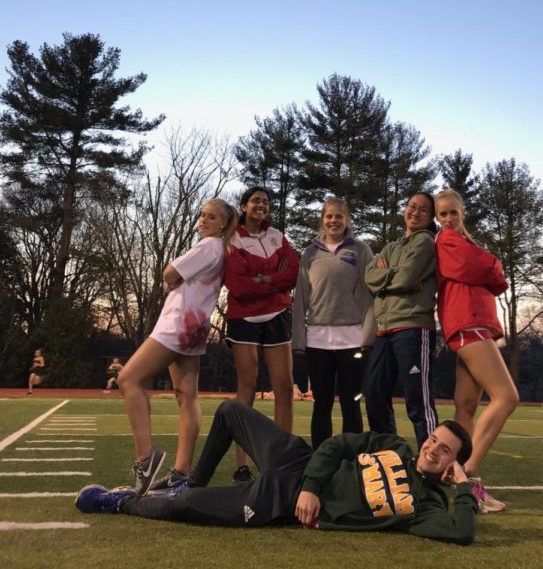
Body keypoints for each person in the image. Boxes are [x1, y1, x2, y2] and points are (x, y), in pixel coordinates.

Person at [75, 399, 478, 545]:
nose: (432, 447)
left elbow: (460, 531)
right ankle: (190, 476)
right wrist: (314, 486)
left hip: (280, 501)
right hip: (297, 463)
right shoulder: (397, 446)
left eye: (445, 450)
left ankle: (122, 503)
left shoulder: (423, 507)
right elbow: (337, 444)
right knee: (231, 411)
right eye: (434, 439)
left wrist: (462, 486)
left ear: (451, 466)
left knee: (188, 505)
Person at [117, 199, 238, 494]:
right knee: (186, 395)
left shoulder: (209, 246)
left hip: (178, 325)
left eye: (211, 217)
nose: (204, 220)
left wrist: (170, 280)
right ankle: (181, 473)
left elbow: (169, 274)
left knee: (128, 379)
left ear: (223, 224)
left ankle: (146, 460)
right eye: (202, 215)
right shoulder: (219, 250)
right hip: (195, 327)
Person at [434, 189, 518, 515]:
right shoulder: (446, 241)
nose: (449, 219)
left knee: (466, 407)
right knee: (507, 397)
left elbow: (495, 278)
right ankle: (467, 477)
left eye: (453, 213)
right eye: (443, 214)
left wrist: (490, 268)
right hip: (468, 325)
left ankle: (462, 484)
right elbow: (482, 267)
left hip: (472, 325)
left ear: (462, 212)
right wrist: (493, 264)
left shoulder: (463, 242)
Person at [225, 187, 300, 483]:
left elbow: (293, 273)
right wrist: (273, 279)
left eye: (266, 202)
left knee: (284, 387)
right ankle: (242, 466)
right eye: (256, 201)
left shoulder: (277, 237)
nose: (262, 205)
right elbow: (238, 285)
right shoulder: (231, 239)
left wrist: (261, 278)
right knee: (247, 387)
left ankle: (282, 463)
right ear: (243, 206)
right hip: (244, 317)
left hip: (278, 315)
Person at [292, 197, 375, 448]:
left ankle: (354, 460)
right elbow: (301, 299)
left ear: (347, 219)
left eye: (339, 216)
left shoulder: (361, 251)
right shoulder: (310, 252)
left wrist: (368, 336)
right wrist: (298, 341)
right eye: (329, 216)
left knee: (351, 403)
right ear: (323, 219)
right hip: (317, 341)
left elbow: (370, 296)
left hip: (352, 340)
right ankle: (321, 458)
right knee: (322, 405)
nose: (334, 220)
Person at [363, 192, 438, 449]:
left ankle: (432, 469)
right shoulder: (391, 247)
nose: (415, 213)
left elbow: (406, 278)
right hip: (384, 330)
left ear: (431, 218)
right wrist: (393, 277)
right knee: (374, 394)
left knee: (418, 400)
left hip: (414, 328)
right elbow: (369, 275)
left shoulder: (426, 242)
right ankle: (390, 457)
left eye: (423, 210)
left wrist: (386, 277)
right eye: (412, 207)